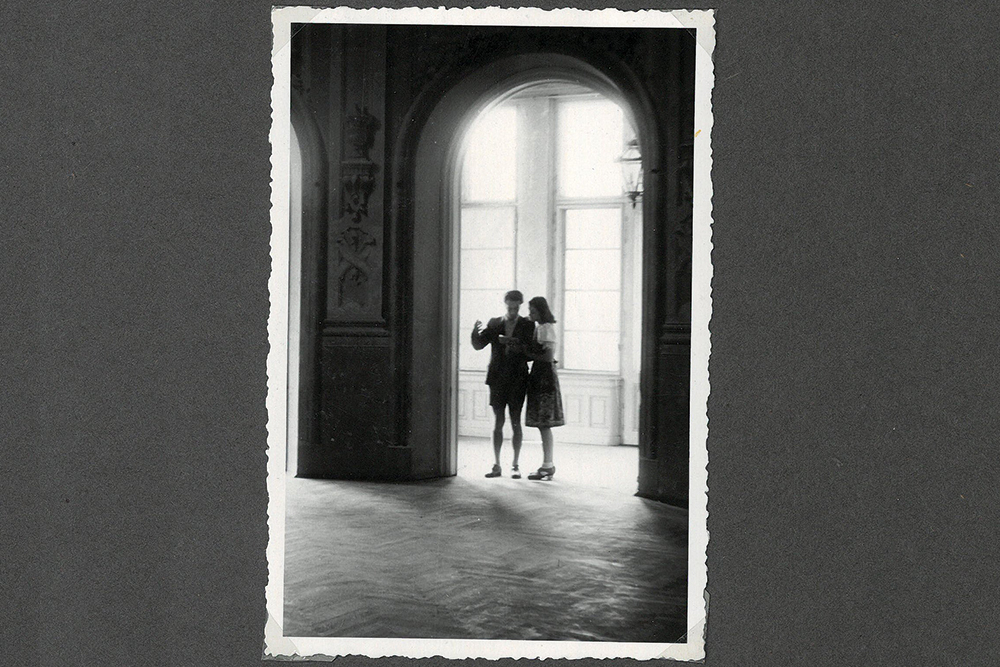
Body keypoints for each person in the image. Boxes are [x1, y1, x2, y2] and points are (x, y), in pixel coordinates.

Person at [471, 290, 535, 478]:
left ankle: (515, 465)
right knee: (498, 421)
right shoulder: (494, 323)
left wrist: (517, 346)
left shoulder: (528, 324)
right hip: (497, 378)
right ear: (505, 304)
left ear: (520, 306)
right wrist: (474, 332)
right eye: (510, 308)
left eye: (516, 308)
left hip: (517, 379)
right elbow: (478, 345)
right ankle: (496, 464)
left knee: (516, 421)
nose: (513, 311)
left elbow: (531, 353)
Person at [522, 296, 565, 481]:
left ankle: (548, 465)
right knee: (542, 424)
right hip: (539, 375)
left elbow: (547, 357)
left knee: (544, 423)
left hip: (544, 377)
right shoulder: (540, 327)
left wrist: (526, 352)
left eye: (533, 311)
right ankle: (547, 464)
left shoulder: (546, 328)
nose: (530, 314)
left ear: (541, 311)